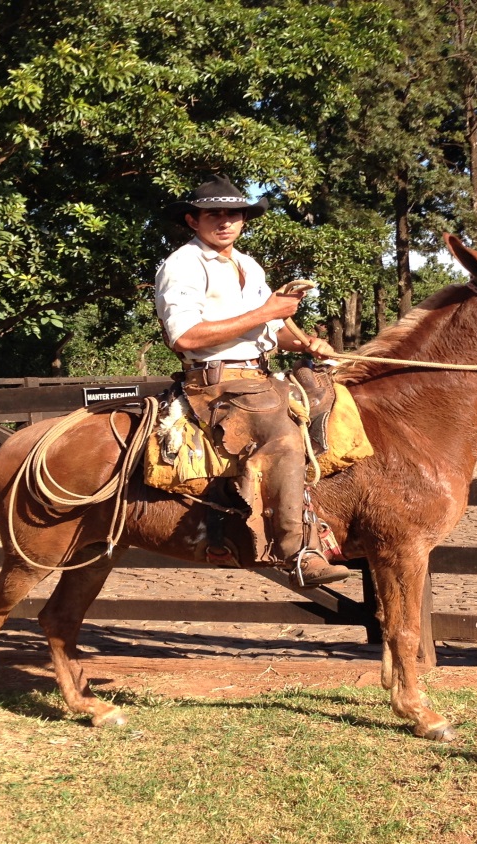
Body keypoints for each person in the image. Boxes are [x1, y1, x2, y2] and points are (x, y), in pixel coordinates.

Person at [153, 174, 353, 587]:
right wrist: (267, 312)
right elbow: (186, 336)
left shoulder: (248, 264)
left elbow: (268, 333)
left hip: (259, 373)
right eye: (214, 214)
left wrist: (305, 343)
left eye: (234, 214)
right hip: (218, 383)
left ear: (244, 220)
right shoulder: (182, 265)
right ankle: (295, 550)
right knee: (283, 437)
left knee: (332, 398)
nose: (225, 221)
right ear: (193, 220)